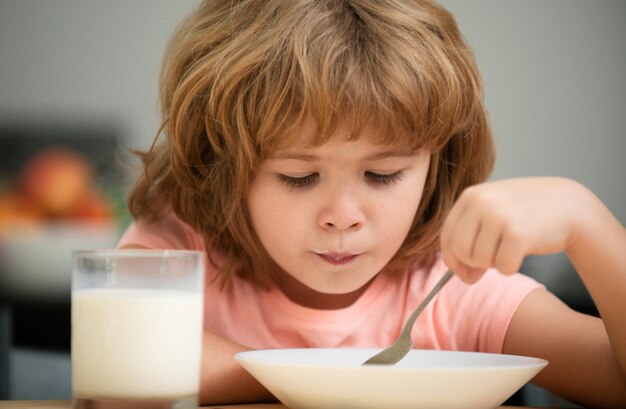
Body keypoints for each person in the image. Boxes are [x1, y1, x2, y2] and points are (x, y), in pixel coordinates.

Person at [118, 0, 626, 406]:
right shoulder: (180, 243)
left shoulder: (453, 288)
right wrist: (334, 382)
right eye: (299, 177)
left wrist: (591, 225)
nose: (343, 214)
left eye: (383, 175)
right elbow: (128, 364)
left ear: (437, 163)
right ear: (219, 162)